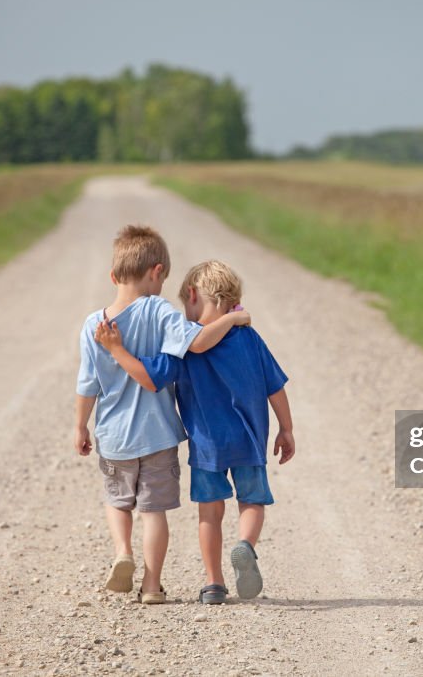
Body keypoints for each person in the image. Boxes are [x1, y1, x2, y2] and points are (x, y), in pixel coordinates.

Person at [95, 259, 294, 604]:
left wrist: (117, 349)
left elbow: (151, 377)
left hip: (207, 446)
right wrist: (286, 429)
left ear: (191, 295)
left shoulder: (183, 345)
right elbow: (274, 386)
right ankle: (245, 545)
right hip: (249, 440)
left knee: (210, 513)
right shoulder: (248, 337)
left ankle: (214, 583)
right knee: (252, 502)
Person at [75, 227, 250, 604]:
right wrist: (234, 319)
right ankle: (152, 586)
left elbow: (87, 384)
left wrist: (79, 427)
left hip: (114, 435)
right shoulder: (158, 311)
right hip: (157, 435)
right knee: (153, 512)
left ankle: (123, 551)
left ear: (113, 276)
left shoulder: (93, 325)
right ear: (157, 272)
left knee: (117, 500)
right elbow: (199, 341)